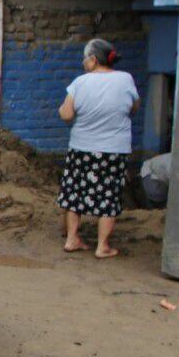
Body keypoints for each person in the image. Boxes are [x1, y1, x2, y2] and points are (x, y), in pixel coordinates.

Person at [57, 38, 140, 259]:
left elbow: (66, 115)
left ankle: (72, 238)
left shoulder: (80, 82)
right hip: (113, 150)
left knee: (75, 192)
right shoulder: (125, 80)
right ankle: (102, 246)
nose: (84, 63)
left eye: (85, 59)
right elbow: (134, 107)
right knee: (108, 194)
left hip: (81, 148)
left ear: (93, 60)